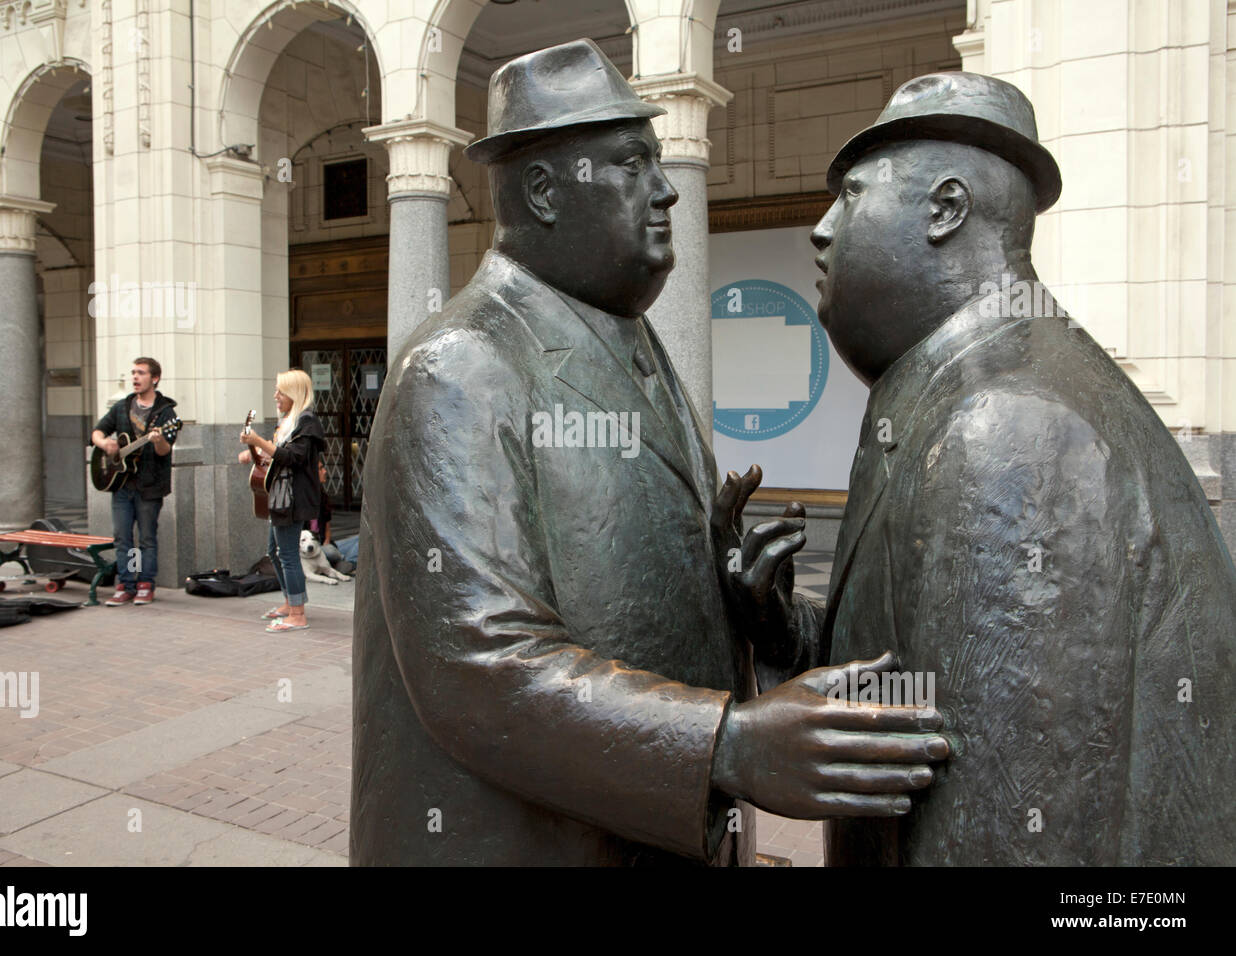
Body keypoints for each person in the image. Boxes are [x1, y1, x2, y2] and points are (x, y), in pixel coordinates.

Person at [351, 39, 949, 867]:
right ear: (544, 191)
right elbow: (478, 667)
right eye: (632, 165)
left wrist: (750, 608)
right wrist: (726, 746)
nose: (667, 188)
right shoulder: (463, 365)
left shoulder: (630, 341)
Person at [811, 72, 1236, 865]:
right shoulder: (974, 390)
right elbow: (929, 702)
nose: (822, 230)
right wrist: (791, 634)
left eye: (853, 196)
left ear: (945, 209)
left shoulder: (1007, 429)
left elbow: (1011, 833)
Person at [239, 369, 325, 632]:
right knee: (276, 553)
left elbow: (293, 458)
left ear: (295, 394)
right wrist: (253, 453)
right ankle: (290, 603)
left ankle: (298, 615)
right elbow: (279, 456)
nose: (275, 395)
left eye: (280, 391)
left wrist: (259, 442)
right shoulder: (290, 420)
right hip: (281, 497)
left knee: (287, 555)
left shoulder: (307, 422)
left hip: (293, 498)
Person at [91, 357, 177, 605]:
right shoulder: (122, 407)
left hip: (150, 485)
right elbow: (97, 431)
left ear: (155, 378)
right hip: (121, 485)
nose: (135, 377)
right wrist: (104, 443)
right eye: (133, 373)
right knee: (123, 537)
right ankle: (126, 584)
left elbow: (164, 450)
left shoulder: (166, 413)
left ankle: (145, 584)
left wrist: (158, 439)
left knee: (147, 537)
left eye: (141, 373)